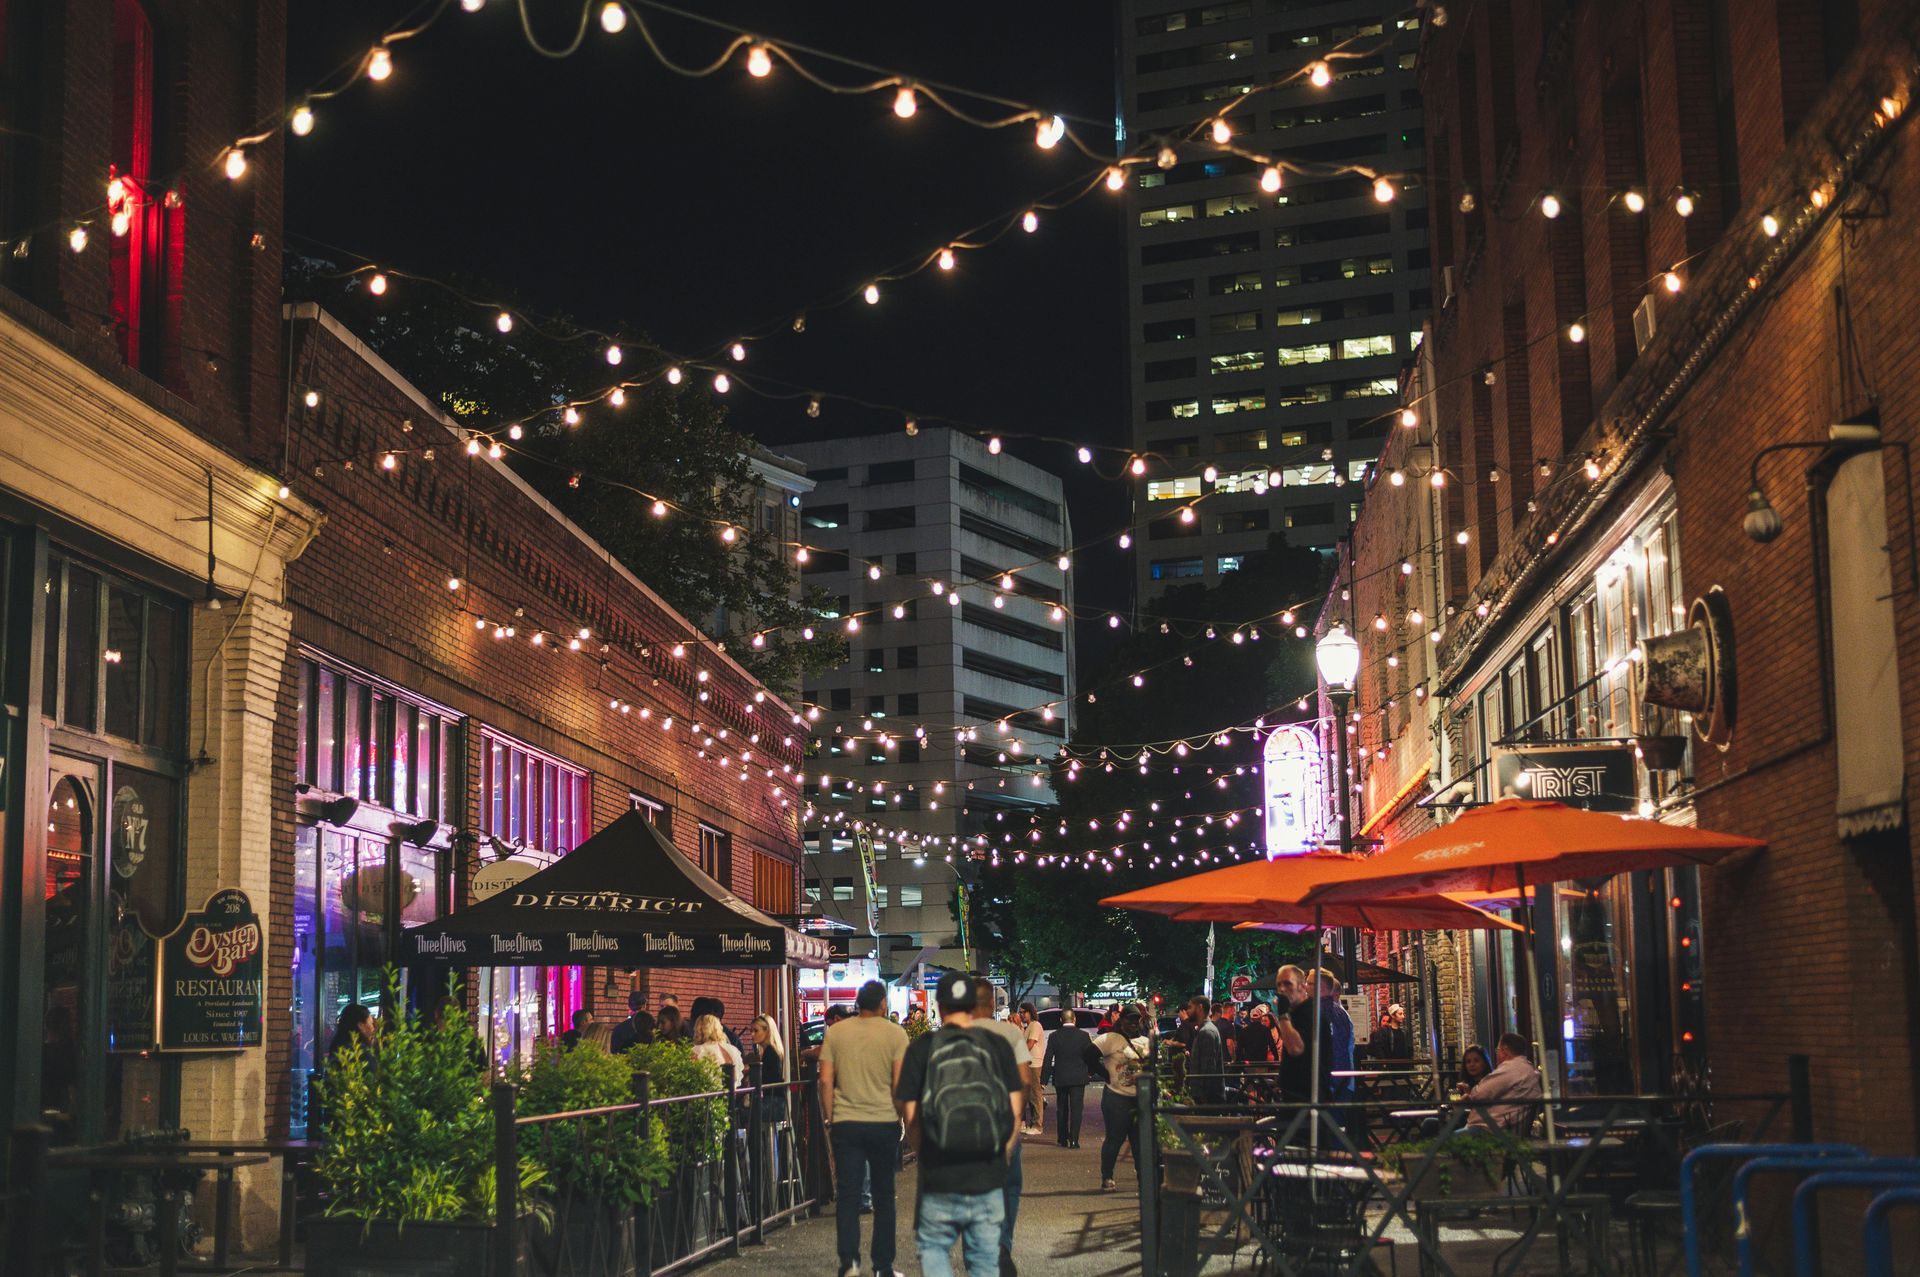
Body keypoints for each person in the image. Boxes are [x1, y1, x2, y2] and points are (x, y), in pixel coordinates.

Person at [896, 972, 1022, 1277]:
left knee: (935, 1252)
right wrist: (1002, 1153)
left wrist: (925, 1152)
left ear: (939, 1004)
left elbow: (910, 1114)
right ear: (976, 1004)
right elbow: (1015, 1110)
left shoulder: (923, 1047)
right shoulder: (998, 1044)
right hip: (987, 1171)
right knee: (984, 1259)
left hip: (939, 1173)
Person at [820, 979, 909, 1277]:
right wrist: (900, 1117)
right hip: (883, 1121)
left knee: (847, 1194)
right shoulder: (896, 1034)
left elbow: (825, 1080)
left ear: (858, 1002)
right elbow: (899, 1082)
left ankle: (849, 1264)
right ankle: (883, 1267)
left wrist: (831, 1116)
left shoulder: (837, 1033)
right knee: (884, 1196)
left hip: (846, 1122)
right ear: (883, 1003)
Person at [968, 979, 1032, 1276]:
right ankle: (1002, 1244)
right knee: (1008, 1184)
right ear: (992, 1004)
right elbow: (1024, 1081)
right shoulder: (1010, 1033)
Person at [1091, 1008, 1150, 1192]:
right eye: (1129, 1019)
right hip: (1116, 1097)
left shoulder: (1146, 1042)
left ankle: (1144, 1180)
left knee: (1140, 1142)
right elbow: (1088, 1054)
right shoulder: (1110, 1039)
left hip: (1140, 1097)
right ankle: (1107, 1176)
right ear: (1121, 1020)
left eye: (1136, 1020)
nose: (1133, 1023)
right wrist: (1104, 1074)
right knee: (1114, 1139)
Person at [1464, 1033, 1543, 1131]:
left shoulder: (1511, 1068)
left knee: (1445, 1142)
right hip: (1505, 1130)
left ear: (1504, 1050)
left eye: (1498, 1050)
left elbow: (1478, 1094)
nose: (1497, 1054)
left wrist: (1470, 1092)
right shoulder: (1528, 1069)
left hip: (1489, 1131)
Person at [1041, 1009, 1094, 1148]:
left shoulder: (1054, 1036)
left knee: (1062, 1108)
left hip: (1061, 1076)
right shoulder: (1083, 1036)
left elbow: (1047, 1058)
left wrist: (1044, 1079)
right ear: (1075, 1019)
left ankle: (1062, 1138)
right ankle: (1074, 1140)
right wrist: (1090, 1072)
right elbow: (1091, 1056)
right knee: (1076, 1109)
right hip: (1078, 1077)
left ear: (1061, 1020)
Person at [1186, 997, 1226, 1105]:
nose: (1187, 1011)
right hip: (1206, 1095)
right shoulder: (1205, 1029)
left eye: (1190, 1007)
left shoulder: (1206, 1031)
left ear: (1200, 1007)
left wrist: (1203, 1096)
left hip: (1207, 1097)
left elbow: (1208, 1068)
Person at [691, 1013, 745, 1083]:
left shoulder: (697, 1050)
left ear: (699, 1029)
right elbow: (736, 1077)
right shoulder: (732, 1050)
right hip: (731, 1091)